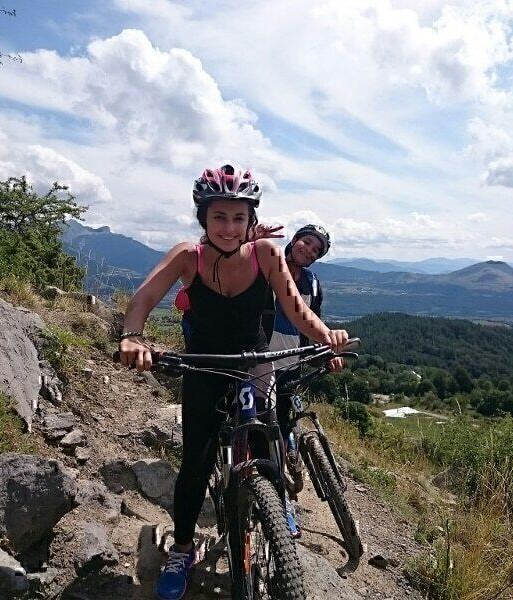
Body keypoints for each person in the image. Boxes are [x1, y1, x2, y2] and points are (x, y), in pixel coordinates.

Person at [118, 164, 348, 600]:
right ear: (204, 217)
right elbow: (144, 297)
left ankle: (276, 514)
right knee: (196, 462)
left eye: (238, 218)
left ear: (249, 221)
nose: (229, 227)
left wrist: (326, 338)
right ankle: (183, 549)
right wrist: (132, 336)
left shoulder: (265, 254)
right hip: (204, 365)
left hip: (255, 361)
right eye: (219, 217)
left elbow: (297, 309)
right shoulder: (189, 256)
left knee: (269, 443)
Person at [266, 225, 343, 538]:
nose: (309, 250)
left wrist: (327, 353)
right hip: (254, 359)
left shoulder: (313, 284)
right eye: (307, 242)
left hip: (289, 364)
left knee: (280, 427)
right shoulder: (266, 264)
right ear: (294, 239)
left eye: (317, 250)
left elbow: (315, 322)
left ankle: (281, 499)